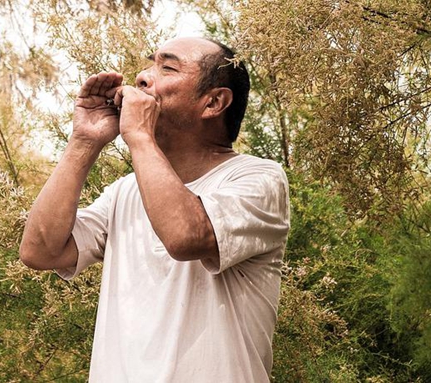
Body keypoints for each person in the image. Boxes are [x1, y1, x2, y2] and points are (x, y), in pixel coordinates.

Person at [19, 37, 290, 382]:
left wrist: (139, 136)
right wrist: (84, 140)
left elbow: (184, 237)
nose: (143, 78)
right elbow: (39, 251)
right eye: (150, 63)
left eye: (167, 67)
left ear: (214, 102)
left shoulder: (258, 179)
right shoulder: (124, 192)